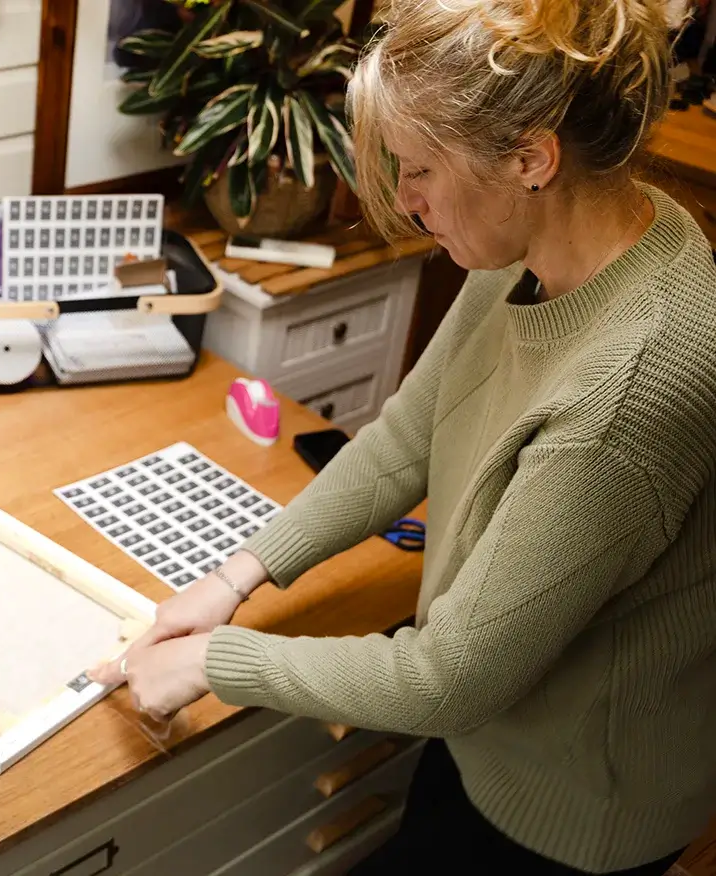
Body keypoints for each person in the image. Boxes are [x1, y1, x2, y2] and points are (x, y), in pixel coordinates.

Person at [88, 0, 716, 872]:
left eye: (420, 169)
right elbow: (406, 437)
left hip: (574, 802)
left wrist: (215, 663)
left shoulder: (630, 391)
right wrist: (235, 577)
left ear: (532, 158)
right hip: (487, 737)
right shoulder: (559, 238)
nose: (410, 200)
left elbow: (447, 680)